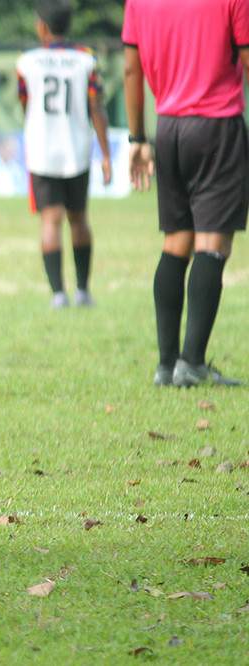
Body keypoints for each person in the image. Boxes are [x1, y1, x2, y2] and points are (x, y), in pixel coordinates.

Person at [123, 0, 247, 387]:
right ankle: (191, 363)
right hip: (216, 126)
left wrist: (137, 138)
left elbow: (130, 67)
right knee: (211, 245)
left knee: (175, 242)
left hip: (168, 129)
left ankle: (166, 365)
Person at [16, 0, 112, 309]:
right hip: (76, 149)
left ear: (42, 26)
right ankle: (83, 290)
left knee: (50, 221)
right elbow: (96, 106)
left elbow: (25, 102)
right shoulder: (86, 59)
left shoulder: (27, 61)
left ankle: (58, 294)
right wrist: (106, 153)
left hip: (42, 151)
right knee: (79, 219)